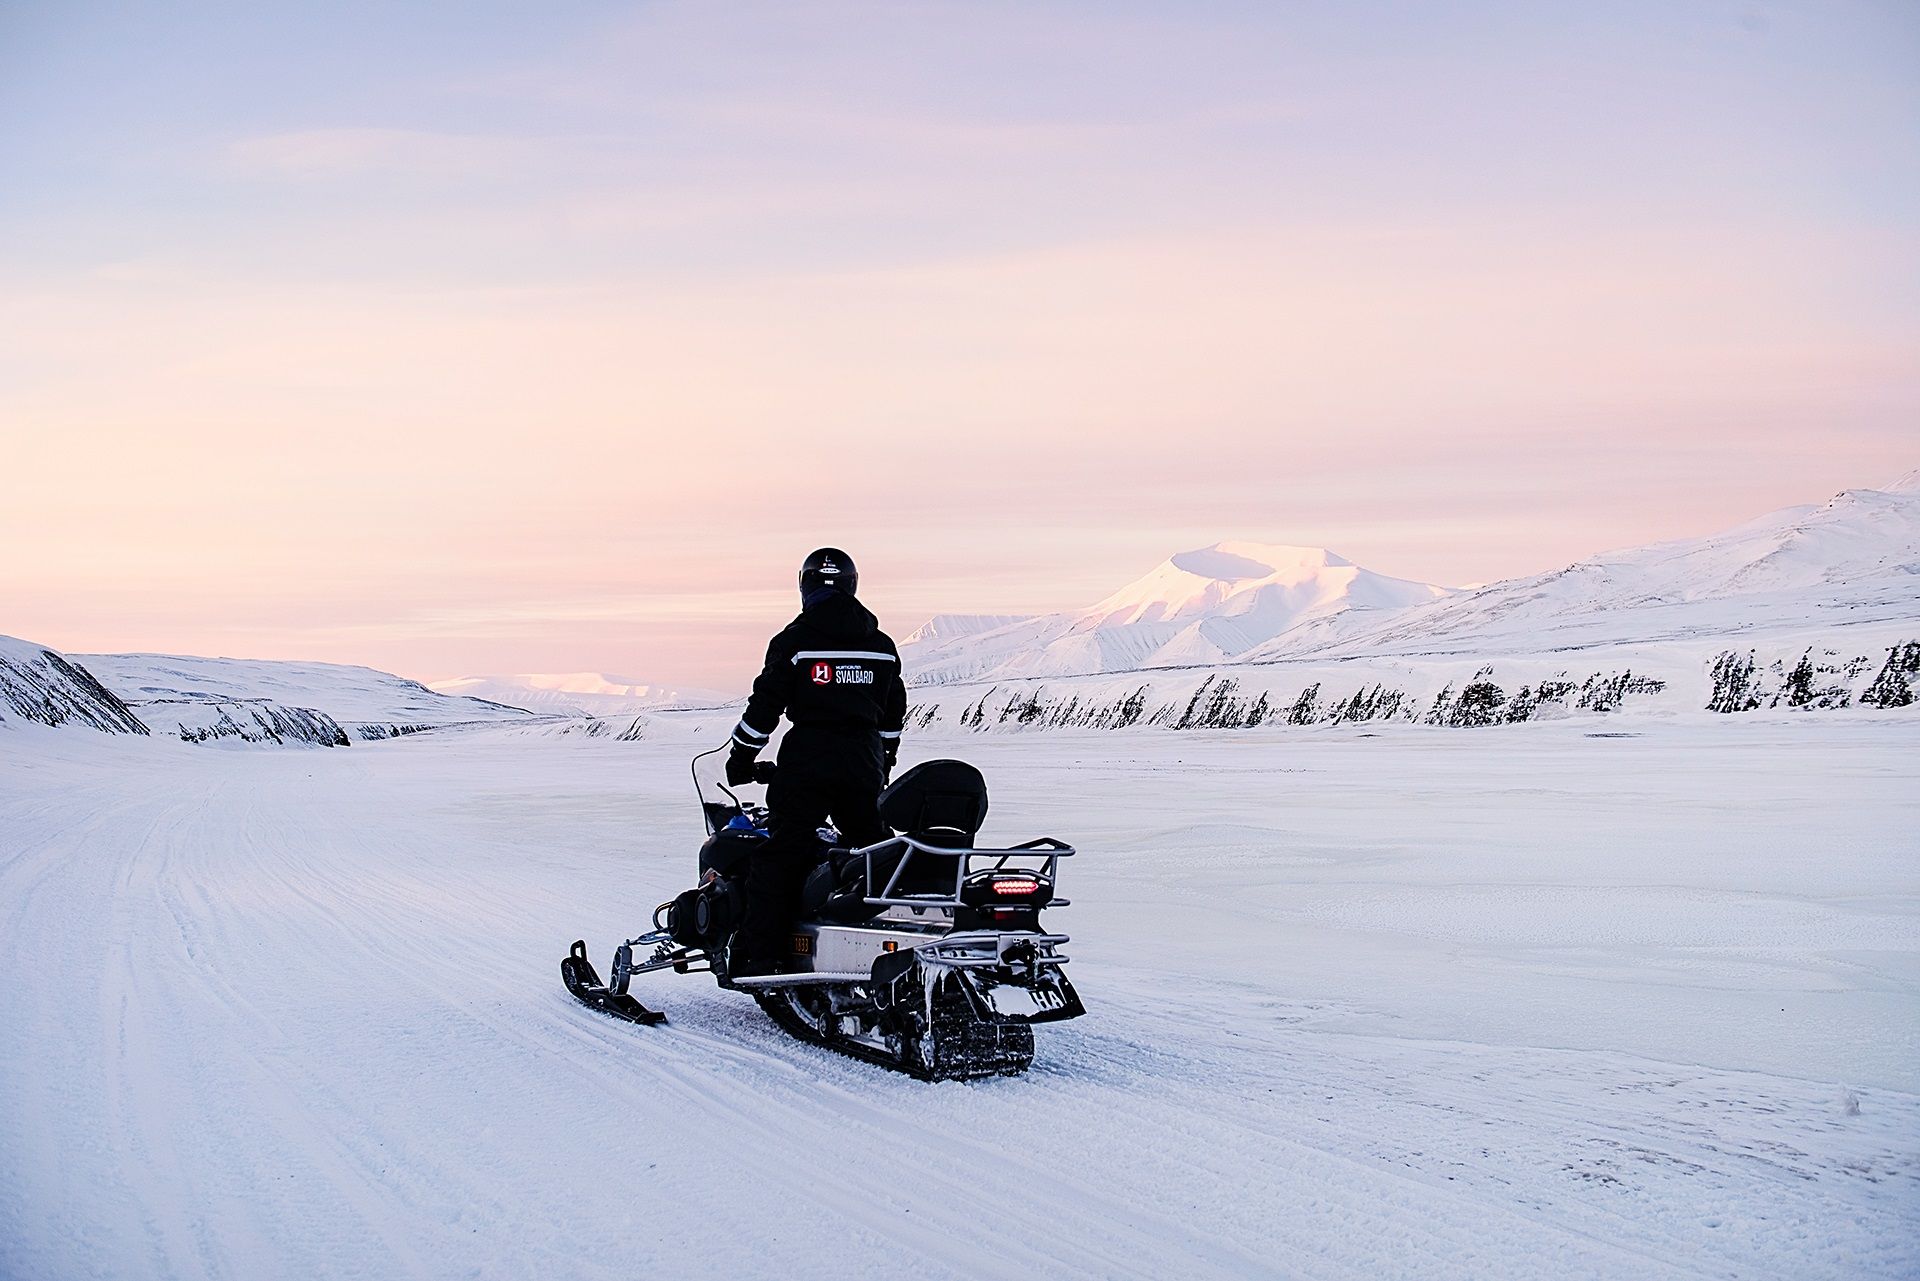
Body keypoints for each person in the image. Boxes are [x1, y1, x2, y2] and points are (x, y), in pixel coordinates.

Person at [724, 547, 906, 976]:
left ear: (805, 586)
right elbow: (893, 713)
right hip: (862, 759)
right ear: (852, 585)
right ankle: (885, 935)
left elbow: (765, 705)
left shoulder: (795, 641)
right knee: (873, 847)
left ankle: (761, 958)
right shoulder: (880, 645)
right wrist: (883, 761)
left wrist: (742, 757)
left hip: (808, 756)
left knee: (781, 853)